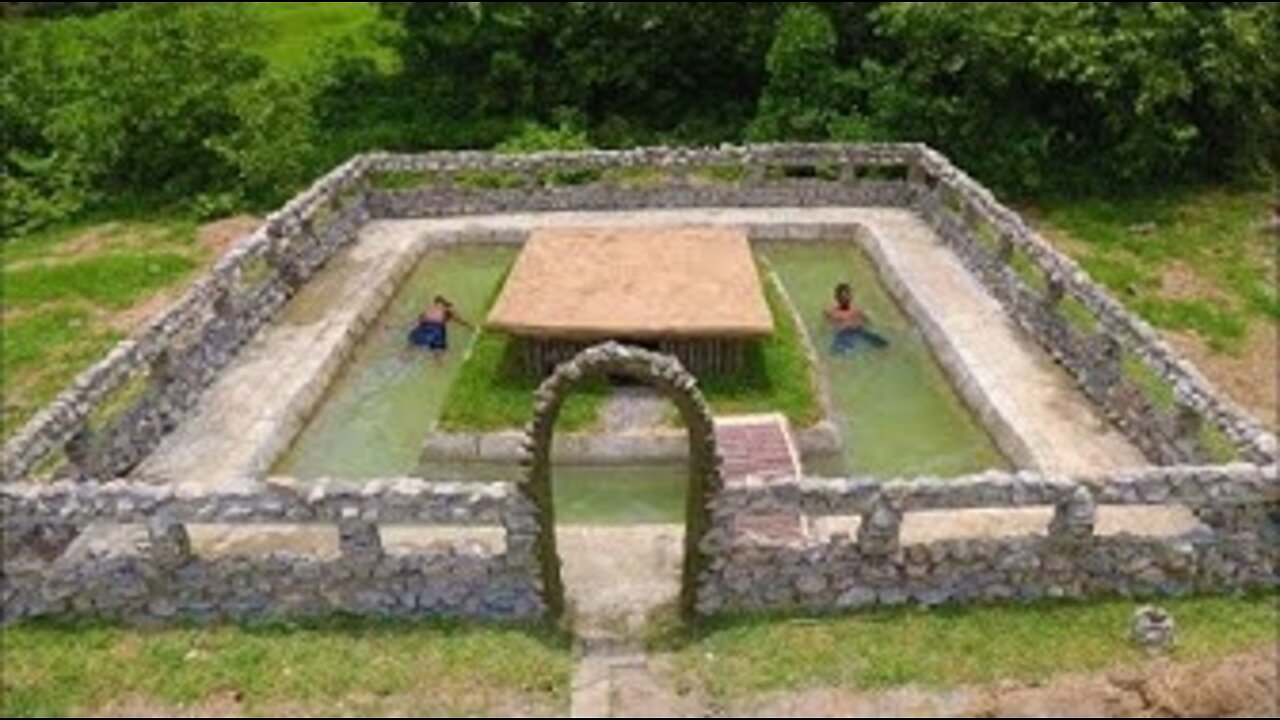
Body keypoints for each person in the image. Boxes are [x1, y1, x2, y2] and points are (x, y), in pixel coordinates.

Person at [825, 282, 889, 355]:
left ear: (851, 297)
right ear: (837, 298)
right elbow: (827, 326)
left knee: (883, 344)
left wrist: (867, 320)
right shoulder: (831, 312)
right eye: (843, 297)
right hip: (843, 334)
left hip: (858, 331)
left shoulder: (857, 310)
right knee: (839, 351)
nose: (846, 299)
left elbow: (869, 321)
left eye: (848, 296)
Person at [408, 295, 472, 359]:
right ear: (443, 304)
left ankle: (401, 360)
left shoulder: (429, 309)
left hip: (424, 326)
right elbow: (459, 320)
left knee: (411, 346)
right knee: (439, 352)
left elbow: (419, 321)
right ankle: (437, 365)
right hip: (436, 328)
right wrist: (471, 327)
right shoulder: (446, 310)